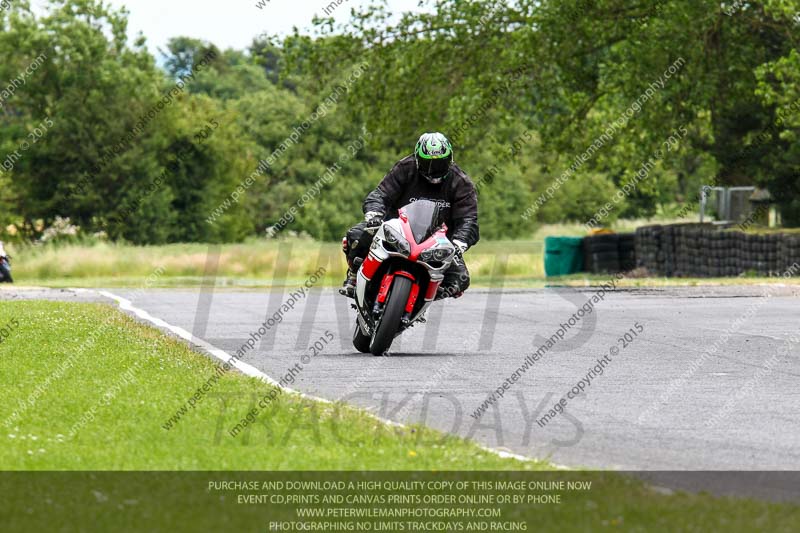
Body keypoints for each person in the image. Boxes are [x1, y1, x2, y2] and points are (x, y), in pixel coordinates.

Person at [341, 132, 479, 299]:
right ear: (417, 158)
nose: (433, 170)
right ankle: (354, 276)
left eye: (439, 163)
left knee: (460, 279)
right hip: (397, 228)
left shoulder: (461, 182)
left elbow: (469, 220)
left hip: (436, 242)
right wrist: (374, 215)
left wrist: (458, 244)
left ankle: (425, 295)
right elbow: (380, 194)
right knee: (356, 236)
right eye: (427, 163)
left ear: (449, 160)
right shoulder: (406, 168)